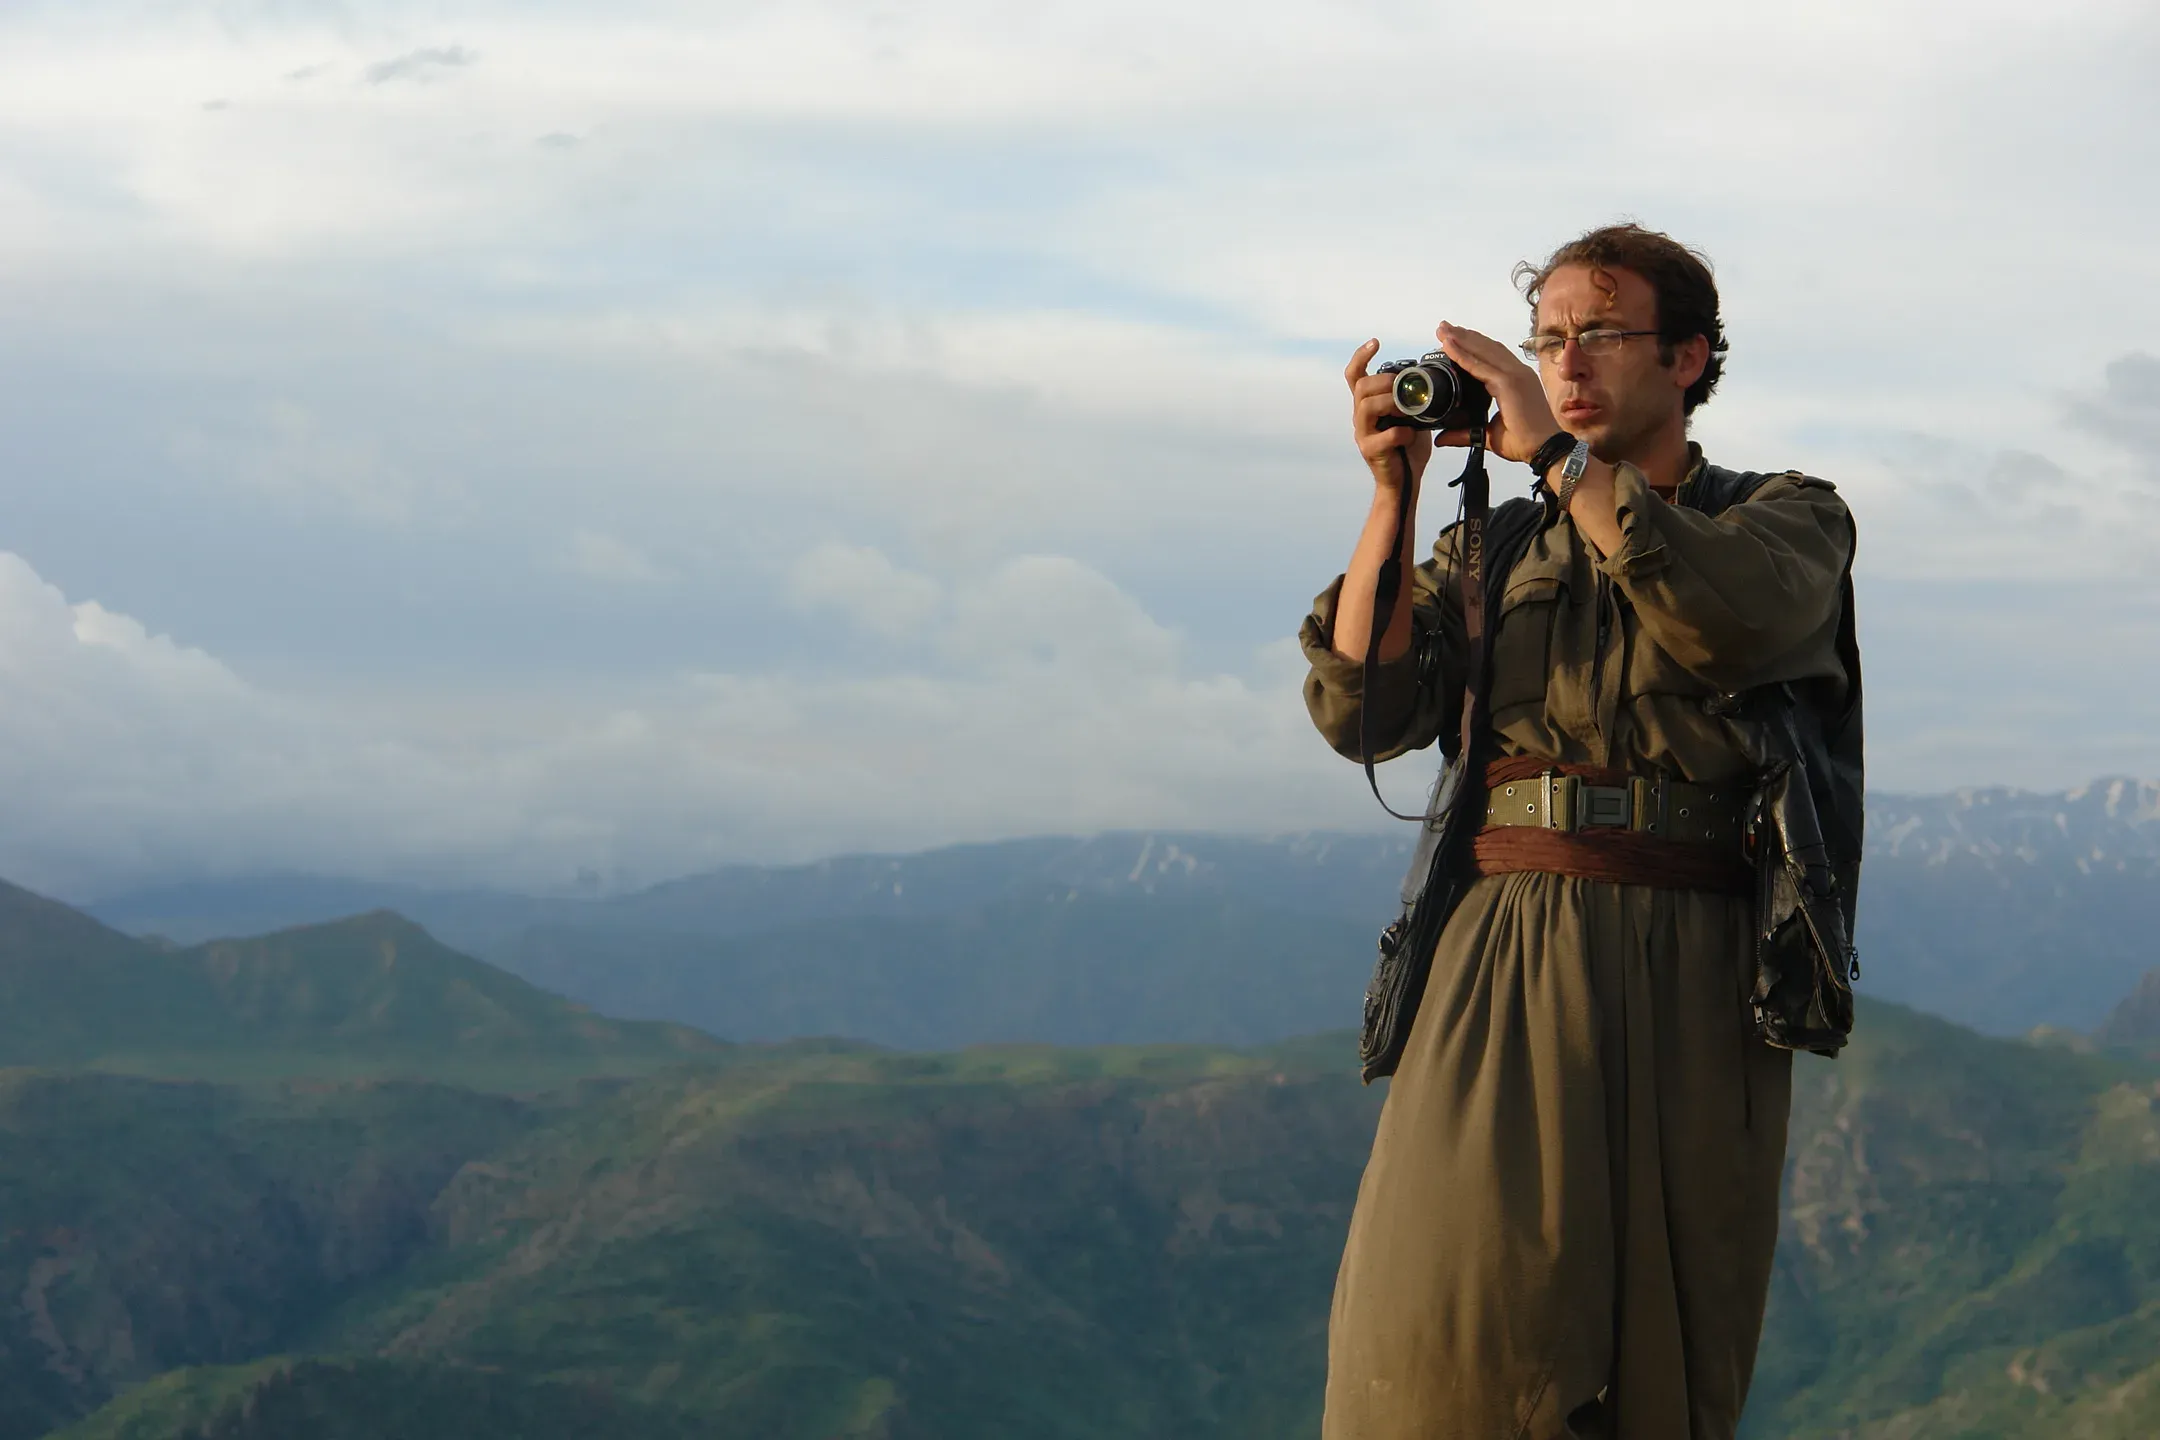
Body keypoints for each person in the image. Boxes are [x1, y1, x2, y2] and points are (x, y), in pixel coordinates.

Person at [1298, 223, 1857, 1439]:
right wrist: (1391, 497)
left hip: (1703, 954)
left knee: (1667, 1357)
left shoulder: (1787, 519)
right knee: (1437, 1331)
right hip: (1504, 946)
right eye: (1548, 340)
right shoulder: (1494, 542)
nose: (1563, 361)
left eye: (1598, 334)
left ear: (1692, 357)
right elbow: (1365, 711)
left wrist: (1552, 455)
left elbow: (1727, 622)